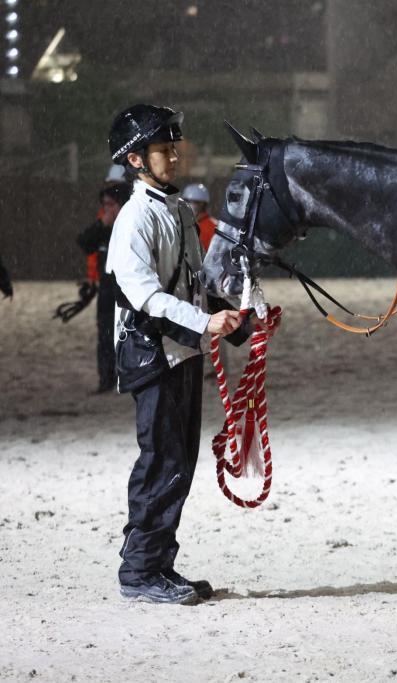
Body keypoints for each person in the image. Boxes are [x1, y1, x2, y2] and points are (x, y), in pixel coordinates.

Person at [106, 103, 252, 605]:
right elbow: (146, 297)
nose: (174, 155)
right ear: (135, 160)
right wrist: (206, 322)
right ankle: (140, 572)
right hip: (150, 355)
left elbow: (195, 285)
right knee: (162, 462)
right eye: (163, 149)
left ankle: (156, 563)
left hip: (180, 351)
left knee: (180, 462)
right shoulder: (133, 219)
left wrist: (239, 323)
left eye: (174, 147)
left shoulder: (179, 210)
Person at [77, 180, 132, 392]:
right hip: (108, 291)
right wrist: (102, 224)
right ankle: (106, 380)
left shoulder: (132, 226)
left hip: (129, 291)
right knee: (105, 335)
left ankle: (128, 378)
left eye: (111, 204)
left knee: (129, 335)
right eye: (105, 205)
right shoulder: (104, 228)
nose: (107, 209)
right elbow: (84, 242)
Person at [182, 183, 218, 251]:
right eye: (186, 201)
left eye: (193, 202)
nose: (187, 205)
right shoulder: (180, 223)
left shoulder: (214, 227)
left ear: (202, 204)